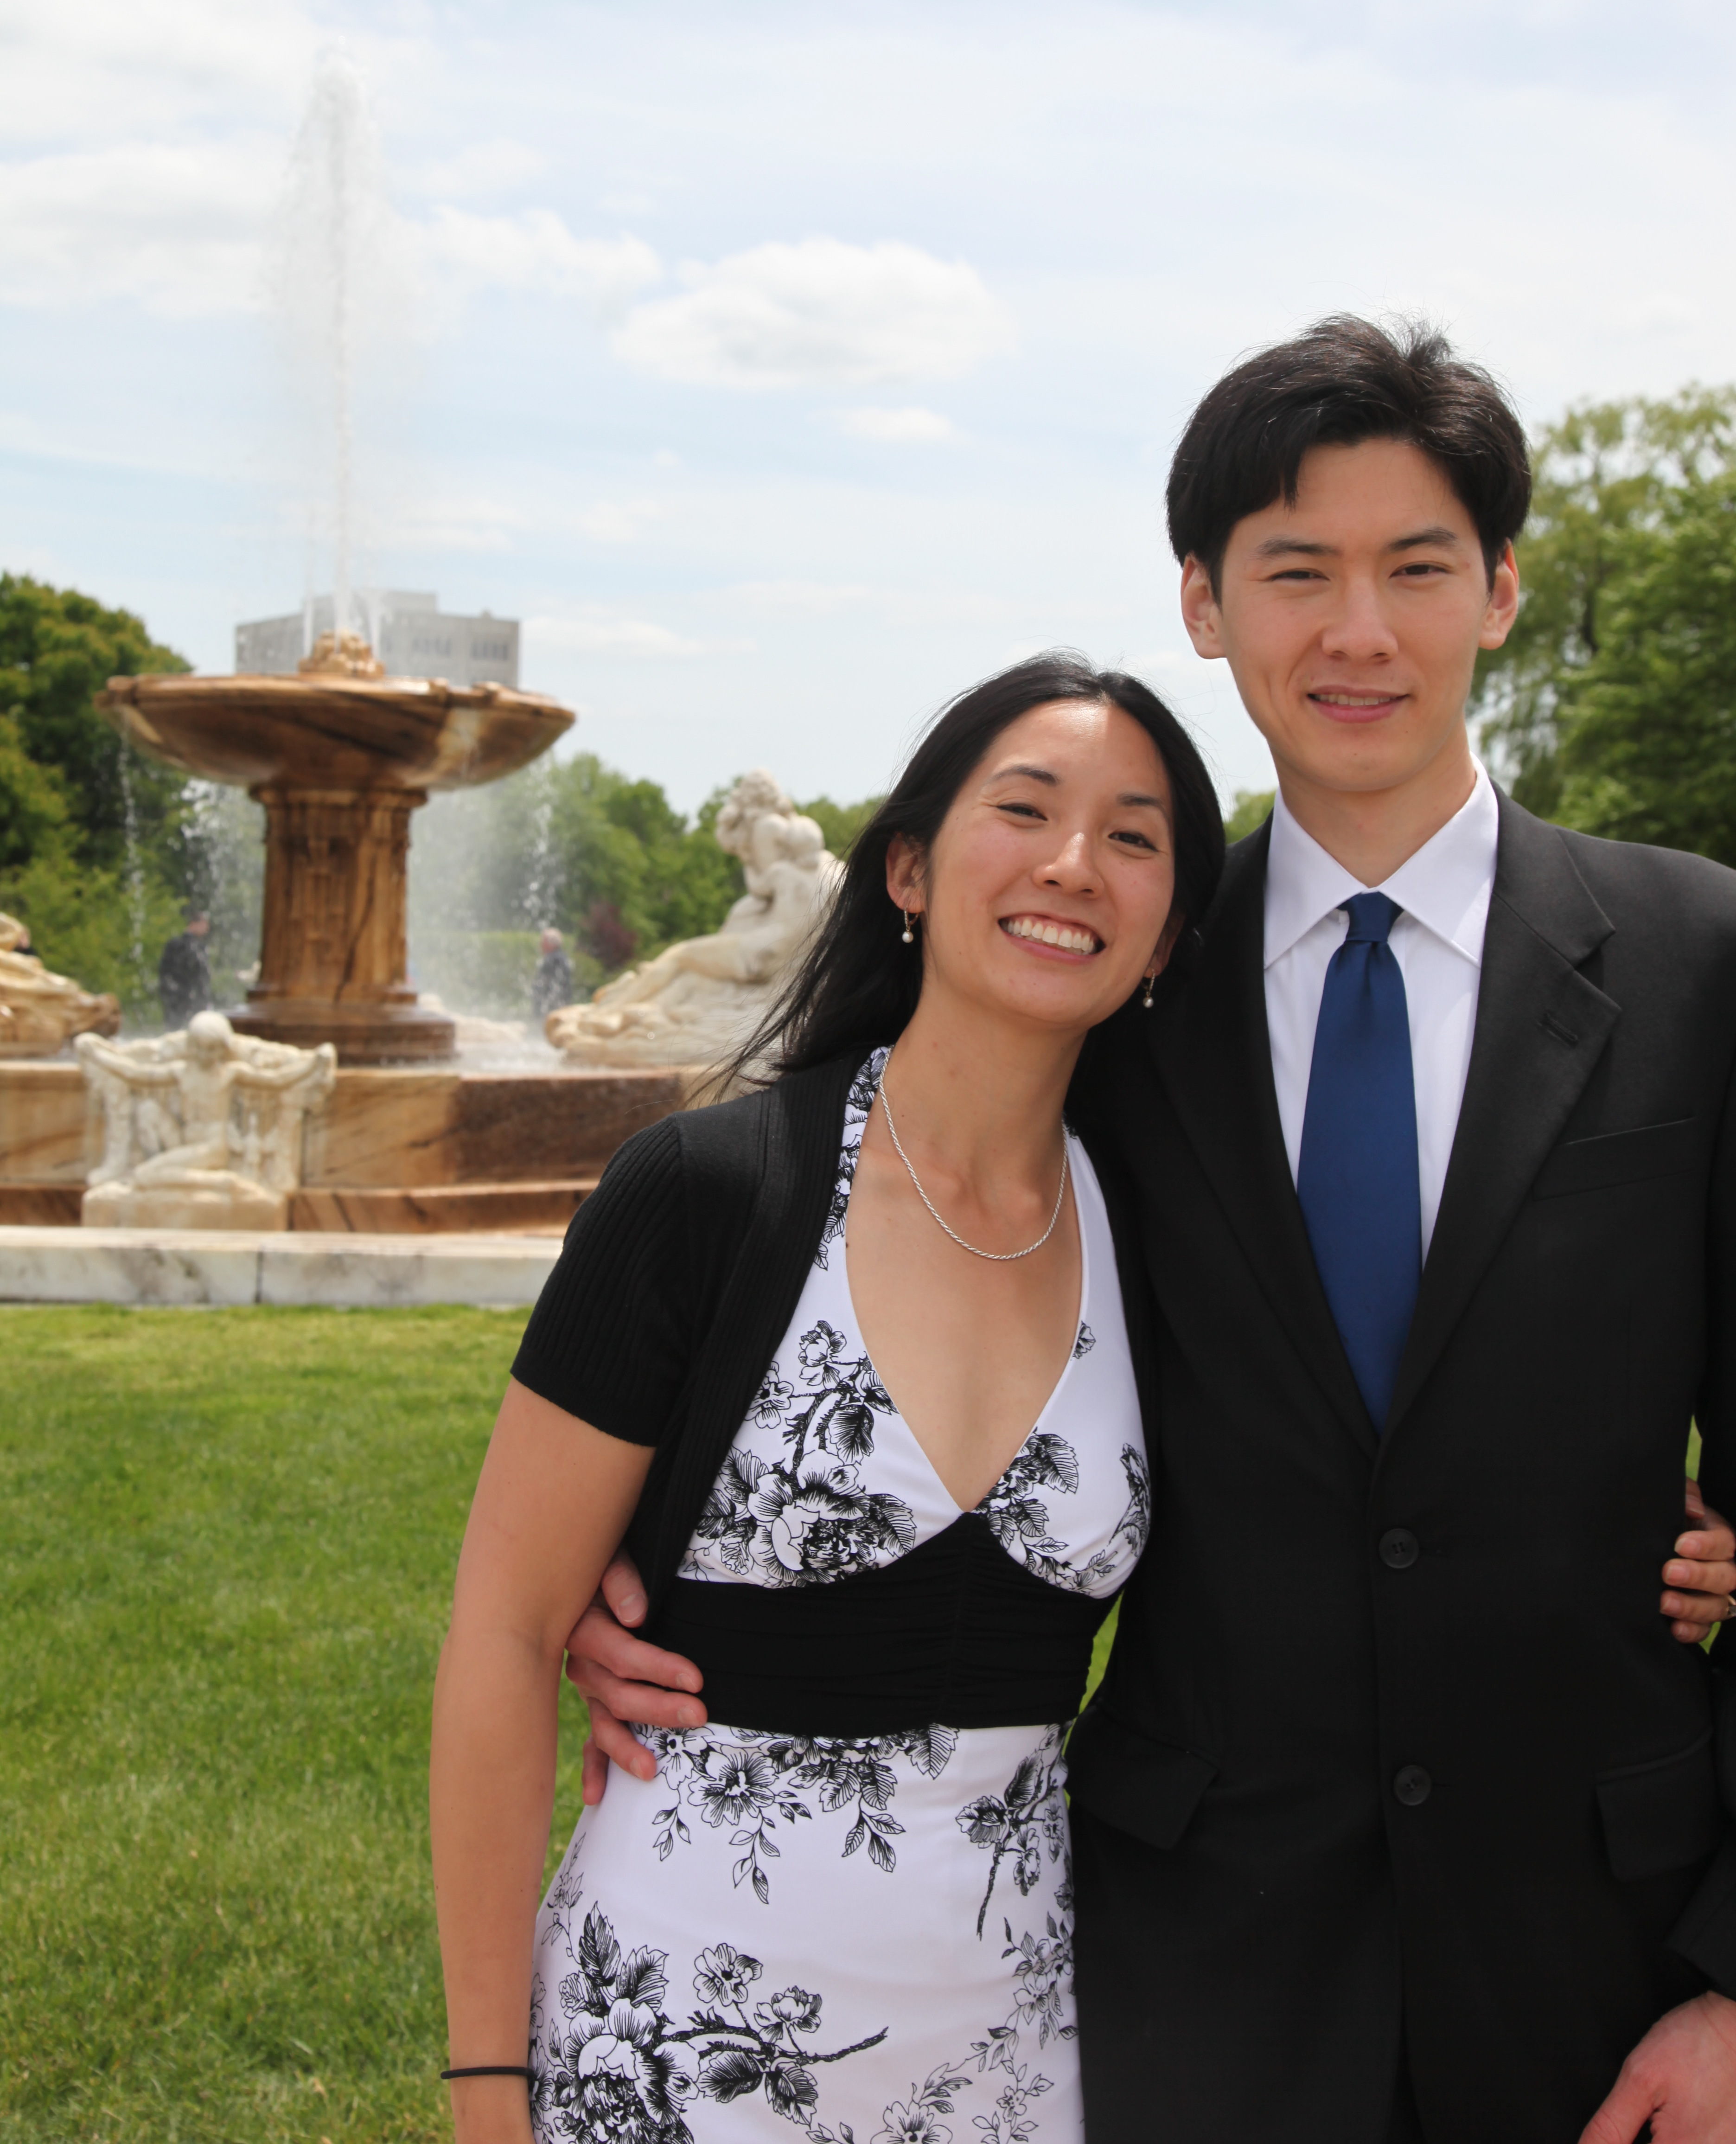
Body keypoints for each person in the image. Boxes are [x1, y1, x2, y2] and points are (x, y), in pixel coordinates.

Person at [571, 320, 1736, 2144]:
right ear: (1204, 602)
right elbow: (912, 1314)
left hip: (1612, 1955)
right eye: (1296, 570)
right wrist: (644, 1605)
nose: (1358, 631)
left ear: (1502, 590)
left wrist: (1734, 1980)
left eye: (1417, 566)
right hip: (1192, 1960)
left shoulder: (1699, 962)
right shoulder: (1115, 998)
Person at [430, 655, 1226, 2144]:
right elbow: (506, 1636)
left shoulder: (1167, 1241)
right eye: (1026, 809)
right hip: (671, 2042)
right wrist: (488, 2090)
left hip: (1019, 2054)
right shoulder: (702, 1193)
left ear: (1168, 936)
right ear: (908, 869)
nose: (1074, 863)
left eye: (1135, 837)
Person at [157, 910, 212, 1029]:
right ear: (194, 924)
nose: (207, 928)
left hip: (182, 998)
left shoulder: (181, 945)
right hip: (182, 998)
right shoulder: (185, 946)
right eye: (204, 924)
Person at [530, 930, 574, 1020]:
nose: (541, 944)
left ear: (551, 944)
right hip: (561, 1005)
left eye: (543, 941)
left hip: (552, 1008)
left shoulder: (552, 959)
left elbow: (545, 985)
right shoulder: (562, 957)